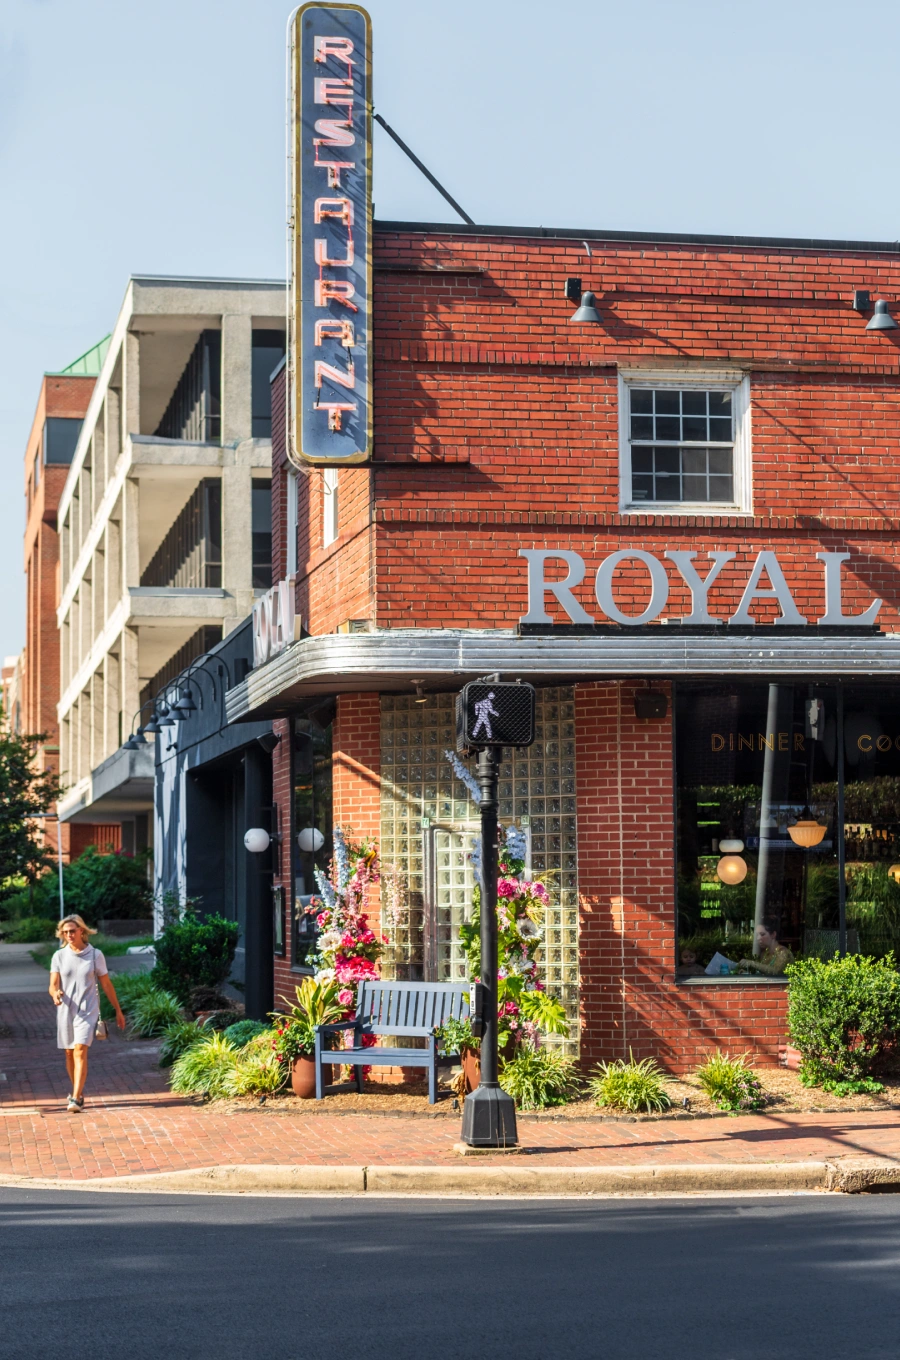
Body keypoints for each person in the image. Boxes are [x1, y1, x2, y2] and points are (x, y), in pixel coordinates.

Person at [49, 914, 126, 1113]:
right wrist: (55, 993)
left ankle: (75, 1098)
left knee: (80, 1049)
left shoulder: (95, 955)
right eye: (65, 932)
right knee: (69, 1053)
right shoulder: (59, 955)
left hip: (87, 1009)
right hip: (66, 1009)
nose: (68, 935)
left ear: (82, 931)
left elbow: (106, 984)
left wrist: (118, 1010)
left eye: (72, 931)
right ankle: (79, 1092)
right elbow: (53, 984)